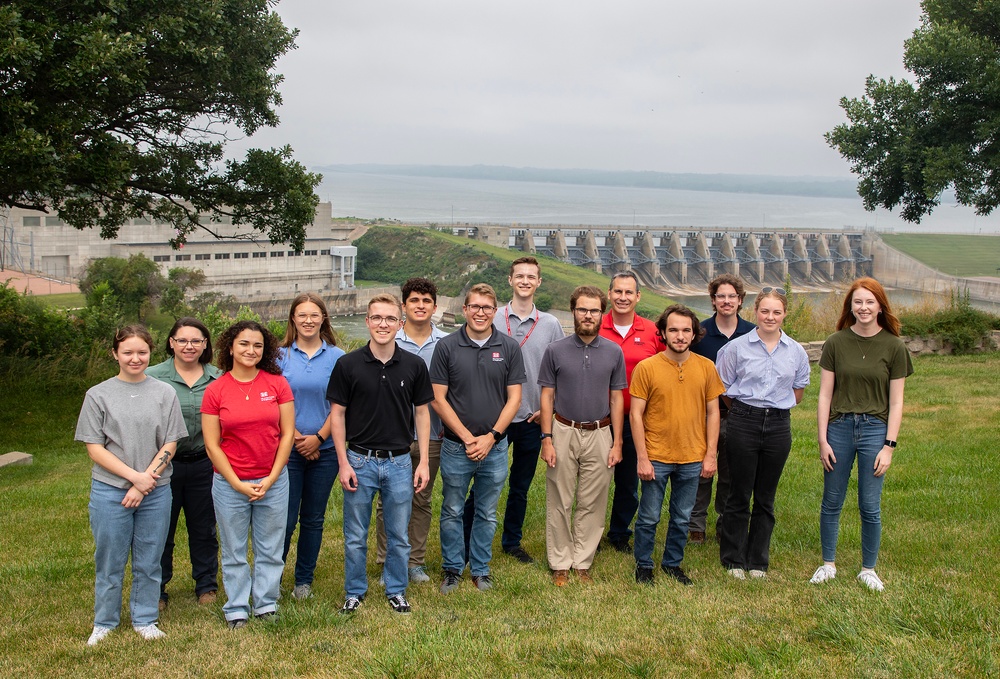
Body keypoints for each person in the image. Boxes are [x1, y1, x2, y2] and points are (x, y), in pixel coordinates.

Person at [75, 325, 187, 646]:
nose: (135, 358)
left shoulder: (164, 393)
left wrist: (145, 481)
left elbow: (170, 441)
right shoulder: (98, 395)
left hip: (155, 490)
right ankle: (104, 622)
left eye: (142, 352)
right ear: (115, 354)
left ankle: (145, 618)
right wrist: (133, 478)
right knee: (109, 559)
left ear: (151, 353)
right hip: (111, 490)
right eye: (128, 352)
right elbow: (95, 447)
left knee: (150, 557)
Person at [328, 293, 432, 614]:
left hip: (400, 461)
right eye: (377, 318)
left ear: (400, 324)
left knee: (399, 534)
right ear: (367, 321)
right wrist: (343, 462)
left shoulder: (414, 365)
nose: (383, 324)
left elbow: (423, 414)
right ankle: (355, 590)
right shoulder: (347, 365)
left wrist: (424, 461)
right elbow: (338, 415)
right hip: (359, 460)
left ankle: (396, 588)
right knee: (355, 534)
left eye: (390, 319)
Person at [810, 277, 913, 592]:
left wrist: (889, 447)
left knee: (870, 505)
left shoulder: (894, 346)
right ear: (850, 306)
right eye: (858, 302)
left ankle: (868, 569)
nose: (864, 307)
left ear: (880, 305)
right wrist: (823, 439)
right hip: (839, 427)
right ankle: (828, 564)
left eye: (870, 302)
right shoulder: (835, 342)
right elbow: (825, 396)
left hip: (874, 431)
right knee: (832, 501)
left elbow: (896, 402)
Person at [464, 257, 563, 565]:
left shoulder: (550, 324)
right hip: (495, 418)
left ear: (539, 282)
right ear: (509, 280)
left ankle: (511, 541)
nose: (524, 280)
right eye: (519, 275)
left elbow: (561, 370)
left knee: (520, 486)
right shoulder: (492, 317)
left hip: (532, 418)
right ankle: (468, 541)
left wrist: (551, 409)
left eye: (530, 276)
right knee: (481, 484)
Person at [431, 283, 526, 593]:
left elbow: (514, 399)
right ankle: (453, 569)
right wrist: (468, 437)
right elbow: (438, 399)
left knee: (486, 511)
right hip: (457, 447)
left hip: (495, 449)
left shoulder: (509, 347)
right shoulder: (446, 347)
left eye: (487, 307)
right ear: (465, 310)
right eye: (475, 307)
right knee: (452, 509)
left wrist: (491, 437)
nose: (481, 312)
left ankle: (481, 569)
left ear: (494, 311)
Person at [202, 320, 294, 628]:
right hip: (230, 484)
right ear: (230, 347)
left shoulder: (277, 384)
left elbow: (287, 434)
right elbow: (213, 445)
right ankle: (237, 607)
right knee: (234, 550)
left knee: (271, 547)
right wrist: (237, 483)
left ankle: (266, 603)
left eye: (257, 345)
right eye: (243, 344)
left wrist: (271, 477)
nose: (250, 350)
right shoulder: (215, 390)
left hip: (274, 481)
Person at [715, 288, 810, 578]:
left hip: (779, 425)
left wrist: (773, 410)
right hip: (743, 420)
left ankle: (758, 560)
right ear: (755, 312)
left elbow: (798, 390)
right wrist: (746, 411)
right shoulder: (736, 348)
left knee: (765, 497)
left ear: (784, 315)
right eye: (765, 311)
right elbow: (724, 387)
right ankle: (733, 558)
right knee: (738, 493)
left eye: (776, 312)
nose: (770, 317)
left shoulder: (795, 351)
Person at [538, 286, 626, 585]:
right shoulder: (555, 350)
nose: (588, 315)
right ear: (573, 311)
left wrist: (617, 441)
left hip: (601, 432)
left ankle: (582, 560)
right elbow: (547, 397)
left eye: (594, 310)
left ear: (603, 313)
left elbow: (617, 399)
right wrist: (546, 438)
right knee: (559, 499)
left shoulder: (614, 352)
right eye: (582, 310)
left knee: (594, 500)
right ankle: (560, 561)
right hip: (563, 429)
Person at [631, 305, 724, 586]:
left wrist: (710, 455)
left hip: (692, 456)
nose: (680, 335)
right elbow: (636, 414)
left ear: (694, 334)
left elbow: (713, 413)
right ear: (662, 332)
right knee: (648, 517)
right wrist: (642, 457)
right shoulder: (647, 368)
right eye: (673, 329)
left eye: (686, 330)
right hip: (656, 455)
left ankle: (673, 564)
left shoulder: (706, 367)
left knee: (682, 517)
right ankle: (644, 565)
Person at [374, 277, 447, 584]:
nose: (420, 306)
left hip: (431, 435)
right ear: (404, 306)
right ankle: (386, 559)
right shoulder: (389, 338)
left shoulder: (446, 343)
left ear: (434, 306)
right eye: (414, 300)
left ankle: (415, 561)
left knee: (420, 499)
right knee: (387, 500)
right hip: (393, 435)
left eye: (426, 301)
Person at [147, 318, 222, 611]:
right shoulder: (153, 378)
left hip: (204, 462)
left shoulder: (218, 378)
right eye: (182, 340)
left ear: (205, 345)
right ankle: (158, 589)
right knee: (160, 528)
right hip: (165, 466)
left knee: (204, 528)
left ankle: (206, 585)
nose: (189, 346)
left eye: (196, 341)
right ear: (171, 343)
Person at [278, 293, 345, 601]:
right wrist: (294, 438)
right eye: (302, 315)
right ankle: (272, 575)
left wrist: (318, 438)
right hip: (287, 450)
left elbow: (341, 406)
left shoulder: (337, 357)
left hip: (326, 450)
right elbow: (274, 403)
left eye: (314, 315)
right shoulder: (278, 357)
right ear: (293, 318)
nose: (308, 320)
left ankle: (303, 579)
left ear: (323, 319)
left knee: (313, 518)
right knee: (285, 518)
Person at [689, 274, 756, 544]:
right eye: (721, 296)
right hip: (701, 414)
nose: (726, 301)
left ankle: (725, 523)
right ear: (713, 300)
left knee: (731, 472)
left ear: (740, 301)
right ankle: (695, 525)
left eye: (732, 297)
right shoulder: (700, 333)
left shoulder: (753, 332)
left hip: (739, 415)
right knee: (700, 471)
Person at [599, 271, 662, 553]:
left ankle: (619, 533)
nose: (623, 298)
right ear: (609, 294)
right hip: (597, 417)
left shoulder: (652, 331)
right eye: (618, 292)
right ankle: (590, 532)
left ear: (638, 296)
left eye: (629, 293)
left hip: (636, 419)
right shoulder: (594, 325)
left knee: (628, 482)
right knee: (595, 479)